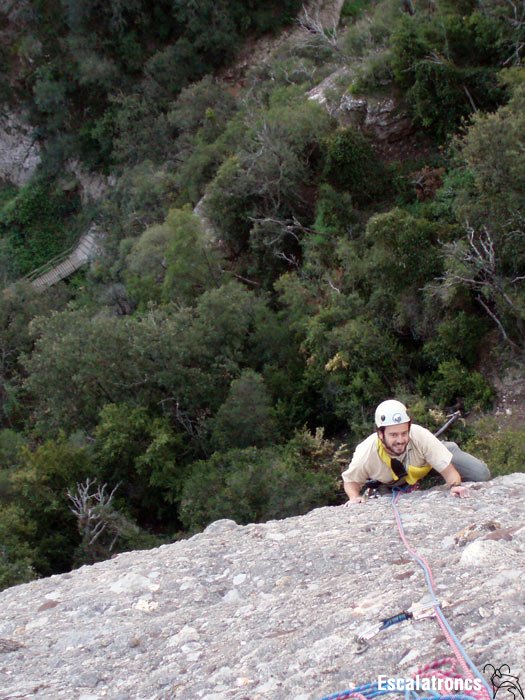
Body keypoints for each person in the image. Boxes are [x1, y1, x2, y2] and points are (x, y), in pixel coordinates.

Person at [342, 399, 490, 505]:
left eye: (404, 433)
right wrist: (354, 497)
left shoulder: (419, 435)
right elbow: (351, 481)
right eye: (393, 435)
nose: (400, 440)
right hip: (394, 480)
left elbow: (449, 472)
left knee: (481, 473)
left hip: (428, 460)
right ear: (380, 434)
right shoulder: (366, 452)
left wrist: (455, 485)